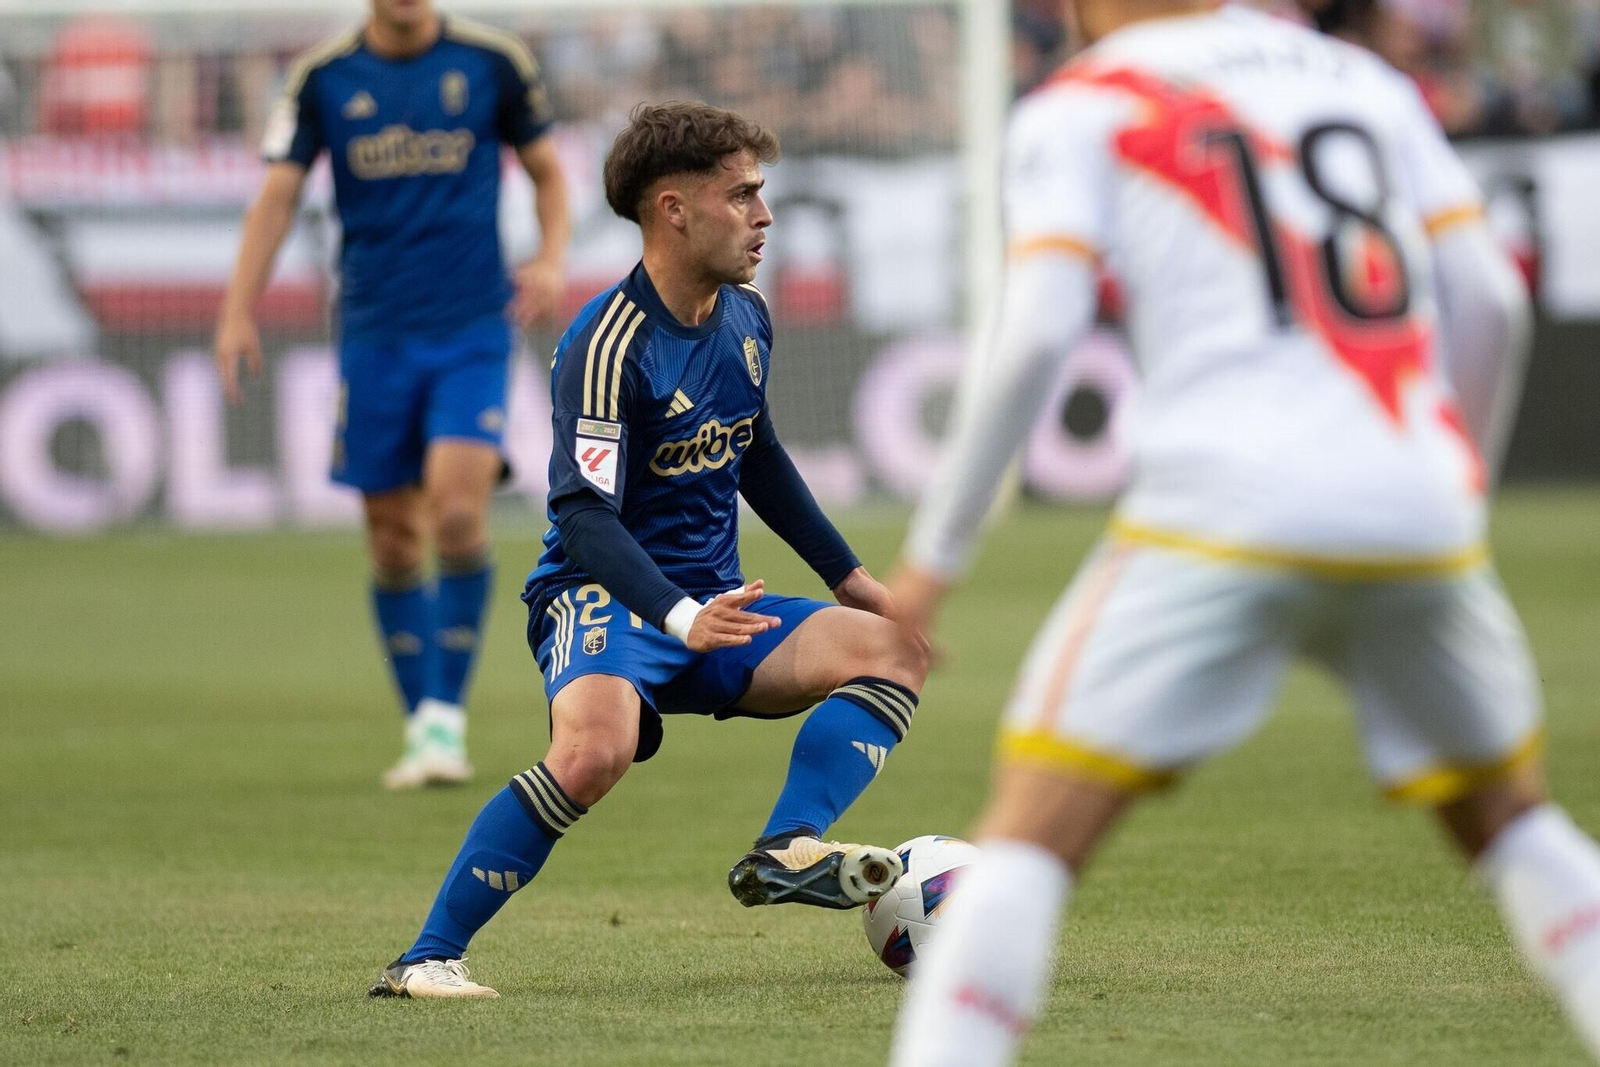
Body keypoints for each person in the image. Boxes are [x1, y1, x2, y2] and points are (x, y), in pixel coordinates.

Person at [884, 2, 1600, 1064]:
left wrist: (927, 565)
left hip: (1222, 510)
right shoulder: (1361, 81)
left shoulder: (1087, 98)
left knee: (1028, 838)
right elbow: (1490, 297)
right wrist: (1456, 488)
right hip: (1416, 507)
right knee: (1511, 822)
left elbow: (1036, 328)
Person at [368, 101, 930, 1000]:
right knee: (595, 754)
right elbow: (582, 516)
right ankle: (425, 959)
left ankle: (786, 848)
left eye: (763, 194)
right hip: (603, 596)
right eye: (742, 195)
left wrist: (853, 579)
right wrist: (677, 613)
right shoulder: (604, 342)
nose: (764, 216)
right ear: (673, 208)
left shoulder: (746, 317)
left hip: (718, 603)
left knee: (897, 648)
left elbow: (762, 455)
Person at [215, 0, 571, 789]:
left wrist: (549, 259)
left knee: (453, 510)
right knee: (391, 538)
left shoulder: (493, 62)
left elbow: (548, 171)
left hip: (474, 327)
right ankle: (422, 726)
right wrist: (238, 309)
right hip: (373, 336)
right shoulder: (323, 77)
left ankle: (444, 717)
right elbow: (275, 196)